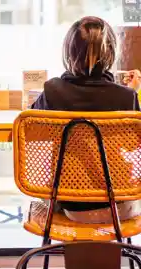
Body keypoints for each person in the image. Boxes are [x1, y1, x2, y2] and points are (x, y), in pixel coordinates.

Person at [31, 16, 141, 224]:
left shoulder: (52, 91)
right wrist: (132, 92)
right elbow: (134, 144)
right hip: (121, 206)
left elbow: (31, 129)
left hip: (70, 205)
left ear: (68, 53)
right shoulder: (126, 97)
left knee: (46, 194)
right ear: (111, 53)